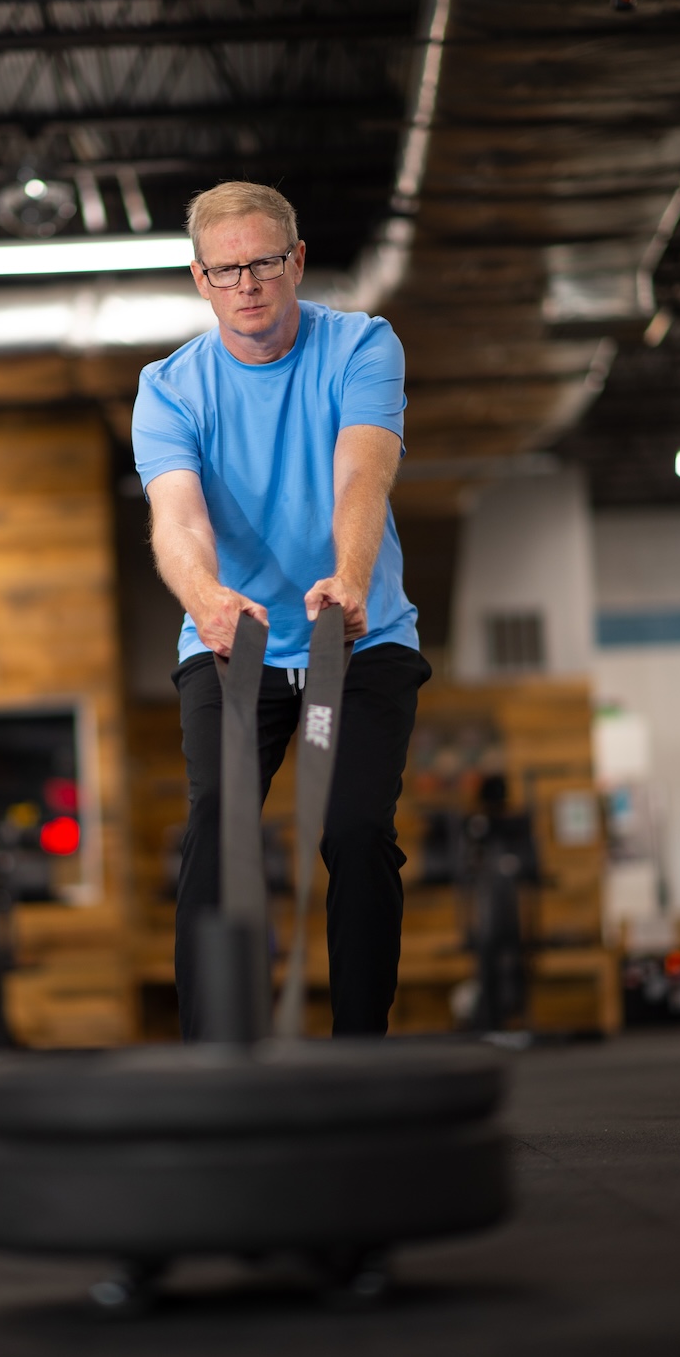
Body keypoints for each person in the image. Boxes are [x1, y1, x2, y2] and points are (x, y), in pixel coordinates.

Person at [131, 181, 431, 1039]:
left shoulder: (361, 346)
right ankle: (214, 1056)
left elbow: (362, 474)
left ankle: (359, 1052)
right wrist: (206, 599)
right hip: (237, 640)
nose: (248, 284)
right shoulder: (169, 388)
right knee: (218, 832)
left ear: (296, 261)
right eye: (226, 270)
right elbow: (178, 521)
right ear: (201, 280)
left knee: (356, 831)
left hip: (357, 632)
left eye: (264, 262)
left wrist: (349, 578)